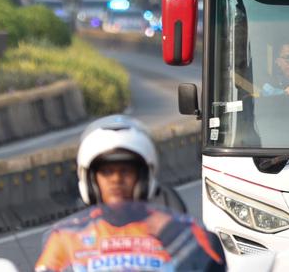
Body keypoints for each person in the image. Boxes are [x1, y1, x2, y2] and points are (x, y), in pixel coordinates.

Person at [36, 116, 227, 271]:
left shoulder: (177, 232)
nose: (116, 179)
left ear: (144, 177)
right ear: (91, 180)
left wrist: (172, 234)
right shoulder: (68, 236)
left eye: (126, 171)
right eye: (107, 172)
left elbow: (211, 262)